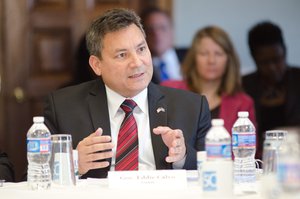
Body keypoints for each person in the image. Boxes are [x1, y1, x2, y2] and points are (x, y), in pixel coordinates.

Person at [43, 8, 211, 179]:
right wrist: (73, 163)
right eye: (122, 55)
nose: (137, 63)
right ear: (96, 65)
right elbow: (31, 177)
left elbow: (214, 176)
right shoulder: (63, 108)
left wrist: (182, 157)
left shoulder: (192, 107)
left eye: (141, 49)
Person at [161, 26, 256, 138]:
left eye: (218, 54)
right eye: (204, 53)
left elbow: (246, 149)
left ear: (229, 60)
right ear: (193, 58)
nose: (211, 61)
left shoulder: (243, 103)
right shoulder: (170, 90)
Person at [243, 21, 300, 159]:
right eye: (264, 62)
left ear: (284, 51)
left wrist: (287, 133)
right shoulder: (245, 85)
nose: (272, 67)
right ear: (254, 59)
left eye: (277, 59)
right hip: (260, 161)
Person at [140, 7, 186, 84]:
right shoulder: (139, 66)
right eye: (150, 29)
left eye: (162, 28)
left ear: (172, 31)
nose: (156, 34)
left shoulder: (191, 56)